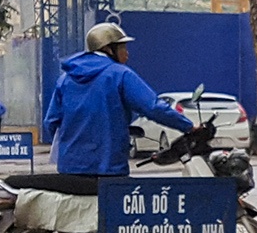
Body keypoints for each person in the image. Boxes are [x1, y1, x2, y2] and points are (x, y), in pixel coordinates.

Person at [41, 23, 199, 177]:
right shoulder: (120, 74)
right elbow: (153, 107)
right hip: (108, 168)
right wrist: (188, 127)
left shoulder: (65, 79)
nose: (127, 53)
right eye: (123, 47)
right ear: (108, 49)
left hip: (69, 170)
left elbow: (51, 122)